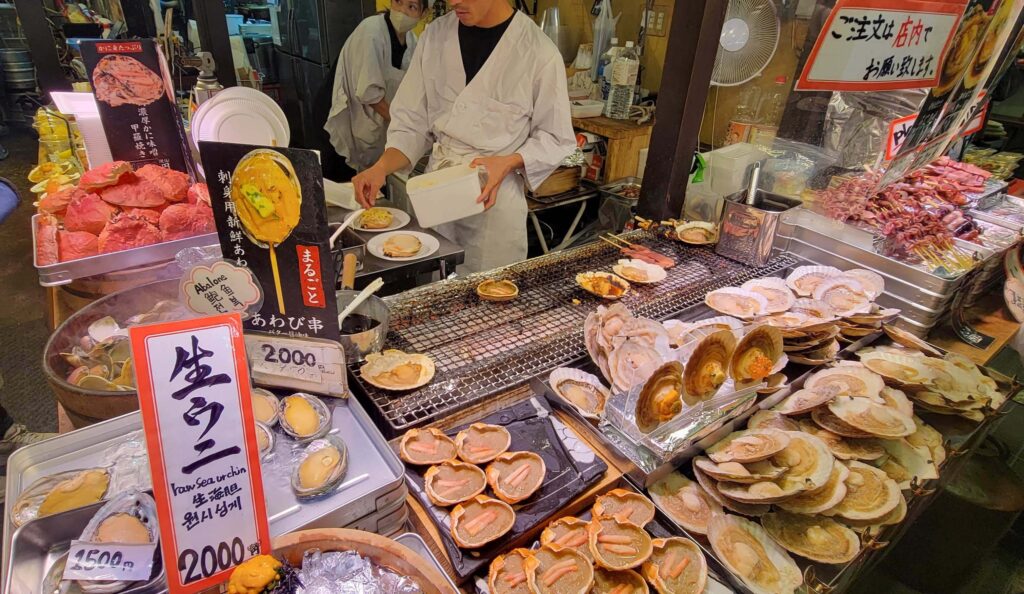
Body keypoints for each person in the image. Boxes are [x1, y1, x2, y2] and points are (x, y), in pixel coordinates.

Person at [352, 0, 576, 273]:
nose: (453, 1)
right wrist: (380, 168)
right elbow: (411, 122)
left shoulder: (538, 52)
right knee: (434, 292)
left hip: (493, 210)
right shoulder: (435, 36)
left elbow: (556, 137)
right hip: (437, 193)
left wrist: (509, 161)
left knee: (488, 303)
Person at [324, 0, 429, 173]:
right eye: (398, 2)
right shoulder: (371, 31)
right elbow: (368, 93)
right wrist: (404, 124)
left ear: (423, 14)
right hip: (344, 119)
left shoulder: (412, 41)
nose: (402, 11)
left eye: (411, 7)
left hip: (372, 125)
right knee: (342, 184)